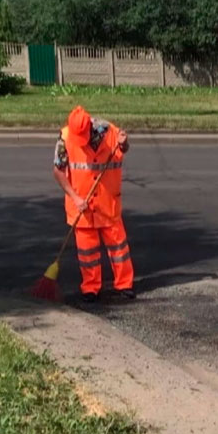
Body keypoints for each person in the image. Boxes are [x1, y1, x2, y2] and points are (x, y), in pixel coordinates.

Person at [52, 105, 134, 303]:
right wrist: (75, 197)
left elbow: (123, 149)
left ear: (90, 126)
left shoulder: (111, 132)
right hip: (82, 205)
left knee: (118, 247)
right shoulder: (65, 138)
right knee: (87, 252)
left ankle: (124, 284)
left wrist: (124, 144)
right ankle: (91, 287)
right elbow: (58, 171)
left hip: (108, 202)